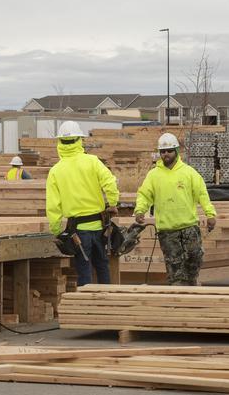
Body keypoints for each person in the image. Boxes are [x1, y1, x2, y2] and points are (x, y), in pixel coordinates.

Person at [133, 132, 217, 286]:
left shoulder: (189, 173)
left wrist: (210, 214)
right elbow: (145, 195)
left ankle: (191, 288)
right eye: (163, 151)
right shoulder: (154, 175)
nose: (166, 154)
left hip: (189, 227)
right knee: (174, 267)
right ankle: (177, 296)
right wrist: (140, 210)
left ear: (176, 151)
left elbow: (202, 194)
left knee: (194, 259)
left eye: (169, 151)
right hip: (167, 230)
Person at [45, 121, 120, 286]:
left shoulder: (56, 171)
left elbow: (53, 206)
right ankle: (107, 303)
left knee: (84, 272)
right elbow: (110, 182)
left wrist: (57, 230)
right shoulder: (92, 161)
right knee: (102, 267)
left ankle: (86, 308)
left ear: (60, 143)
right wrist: (113, 203)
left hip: (77, 232)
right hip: (100, 228)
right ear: (79, 140)